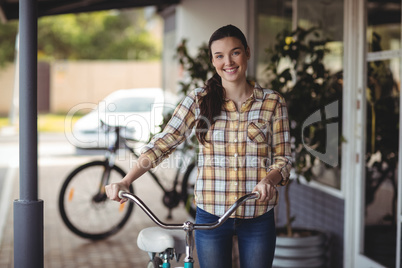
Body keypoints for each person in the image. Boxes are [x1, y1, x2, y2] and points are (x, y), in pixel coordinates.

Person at [105, 24, 292, 268]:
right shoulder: (198, 99)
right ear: (212, 60)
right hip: (210, 215)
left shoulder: (272, 102)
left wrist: (270, 179)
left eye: (235, 52)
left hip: (258, 215)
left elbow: (284, 158)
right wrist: (126, 180)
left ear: (247, 52)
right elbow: (164, 142)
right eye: (220, 55)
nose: (229, 61)